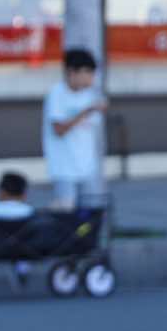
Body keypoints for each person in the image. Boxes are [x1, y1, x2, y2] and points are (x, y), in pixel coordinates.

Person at [43, 48, 108, 210]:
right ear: (72, 72)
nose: (91, 78)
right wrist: (87, 111)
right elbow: (59, 130)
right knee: (66, 211)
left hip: (88, 168)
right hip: (64, 168)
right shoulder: (57, 93)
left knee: (91, 211)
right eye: (87, 73)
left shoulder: (91, 94)